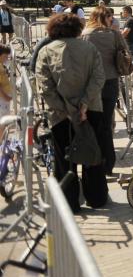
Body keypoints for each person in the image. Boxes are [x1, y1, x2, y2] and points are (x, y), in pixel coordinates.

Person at [36, 13, 106, 212]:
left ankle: (70, 204)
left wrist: (66, 110)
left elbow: (44, 87)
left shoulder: (46, 51)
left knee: (64, 160)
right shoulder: (90, 48)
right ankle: (97, 198)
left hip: (61, 116)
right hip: (91, 109)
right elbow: (98, 78)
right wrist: (84, 105)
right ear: (77, 29)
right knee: (93, 154)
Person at [81, 6, 127, 176]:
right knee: (106, 124)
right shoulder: (114, 35)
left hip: (91, 84)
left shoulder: (85, 35)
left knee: (93, 123)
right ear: (105, 18)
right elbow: (126, 53)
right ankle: (108, 163)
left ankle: (94, 161)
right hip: (110, 82)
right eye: (109, 17)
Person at [0, 45, 12, 114]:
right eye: (5, 56)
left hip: (3, 99)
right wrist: (6, 97)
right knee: (3, 120)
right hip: (2, 99)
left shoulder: (1, 64)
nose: (7, 58)